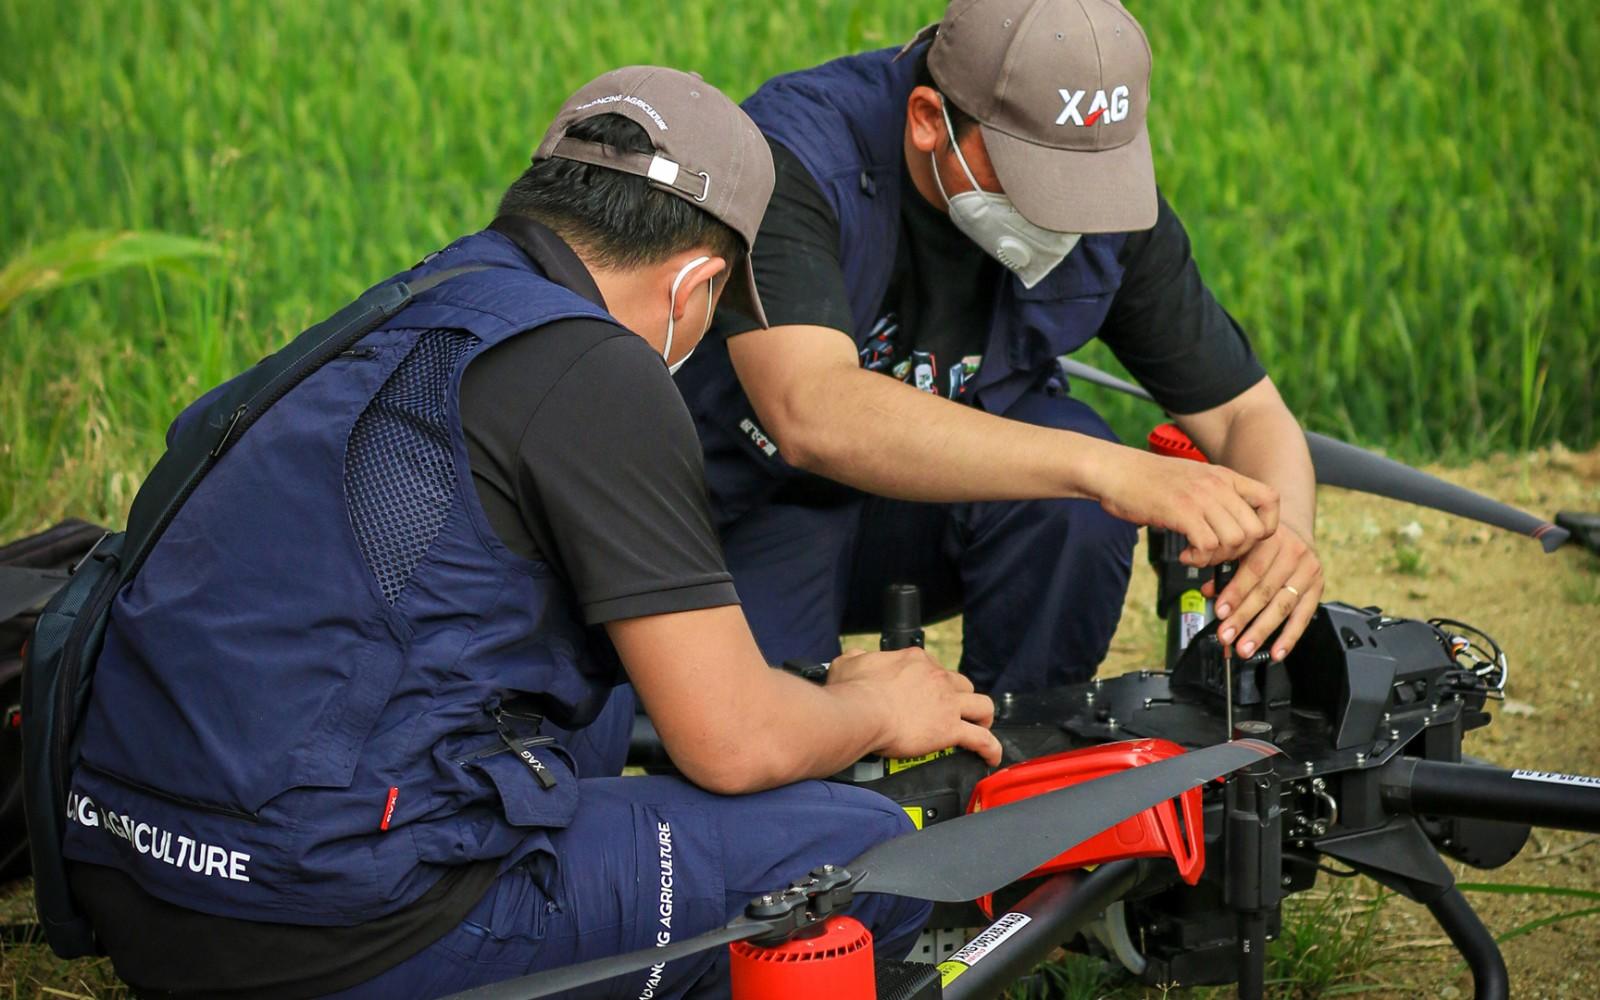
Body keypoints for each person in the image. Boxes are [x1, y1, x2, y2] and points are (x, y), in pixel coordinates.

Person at [60, 66, 1001, 1000]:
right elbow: (733, 742)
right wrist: (876, 711)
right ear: (698, 282)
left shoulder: (406, 310)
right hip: (343, 929)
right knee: (859, 849)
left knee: (580, 710)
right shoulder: (596, 371)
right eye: (718, 310)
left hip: (140, 894)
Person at [675, 0, 1324, 693]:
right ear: (929, 120)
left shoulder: (1104, 198)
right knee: (775, 737)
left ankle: (1020, 756)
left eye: (1088, 178)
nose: (1068, 213)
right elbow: (811, 412)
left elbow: (1245, 414)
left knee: (1076, 512)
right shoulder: (797, 158)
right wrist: (1109, 469)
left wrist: (1287, 539)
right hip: (759, 503)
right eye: (1036, 174)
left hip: (935, 509)